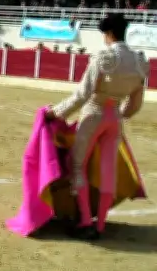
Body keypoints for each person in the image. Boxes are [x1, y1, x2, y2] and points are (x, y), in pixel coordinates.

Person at [45, 13, 148, 240]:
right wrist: (119, 114)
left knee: (77, 165)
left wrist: (57, 112)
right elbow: (135, 103)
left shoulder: (104, 57)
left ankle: (84, 221)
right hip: (114, 120)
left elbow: (83, 95)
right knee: (108, 171)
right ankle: (100, 225)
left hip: (93, 114)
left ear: (109, 34)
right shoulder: (140, 61)